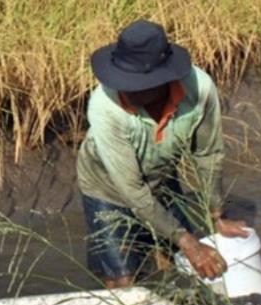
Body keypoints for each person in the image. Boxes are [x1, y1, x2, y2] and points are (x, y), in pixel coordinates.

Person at [76, 19, 250, 289]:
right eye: (122, 80)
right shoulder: (105, 107)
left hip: (160, 175)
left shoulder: (199, 89)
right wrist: (189, 243)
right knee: (123, 280)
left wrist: (217, 215)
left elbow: (208, 154)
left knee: (174, 260)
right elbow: (132, 191)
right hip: (107, 187)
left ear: (164, 80)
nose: (125, 88)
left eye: (136, 83)